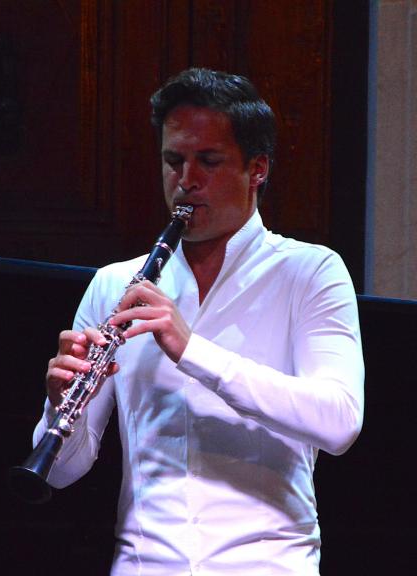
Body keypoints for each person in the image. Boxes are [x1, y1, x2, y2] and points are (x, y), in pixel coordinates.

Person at [35, 68, 364, 575]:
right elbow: (62, 474)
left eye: (208, 161)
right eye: (174, 161)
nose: (186, 180)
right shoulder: (114, 285)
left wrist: (192, 350)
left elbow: (340, 422)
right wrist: (61, 409)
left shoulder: (311, 272)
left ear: (257, 169)